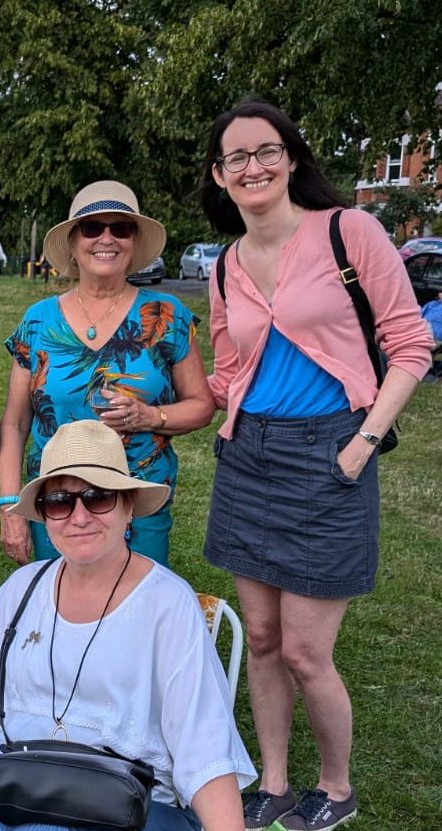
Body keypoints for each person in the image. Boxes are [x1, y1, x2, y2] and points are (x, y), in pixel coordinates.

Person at [198, 98, 434, 831]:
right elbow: (228, 373)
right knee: (263, 638)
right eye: (236, 157)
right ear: (220, 174)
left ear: (291, 157)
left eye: (266, 150)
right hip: (249, 457)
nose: (253, 166)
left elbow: (411, 346)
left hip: (330, 453)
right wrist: (154, 398)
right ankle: (272, 783)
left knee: (305, 650)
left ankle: (336, 787)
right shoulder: (226, 265)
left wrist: (363, 444)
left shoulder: (348, 231)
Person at [0, 420, 256, 831]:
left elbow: (204, 743)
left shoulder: (168, 604)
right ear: (44, 515)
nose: (79, 516)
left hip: (125, 802)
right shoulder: (23, 587)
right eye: (59, 502)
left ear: (128, 507)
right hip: (16, 787)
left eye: (98, 497)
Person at [0, 181, 214, 568]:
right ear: (73, 242)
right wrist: (10, 506)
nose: (107, 238)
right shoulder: (38, 321)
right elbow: (15, 423)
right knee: (62, 601)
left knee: (137, 601)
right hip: (58, 504)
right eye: (92, 227)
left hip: (138, 502)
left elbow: (202, 405)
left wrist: (150, 416)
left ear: (134, 242)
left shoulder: (166, 316)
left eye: (121, 228)